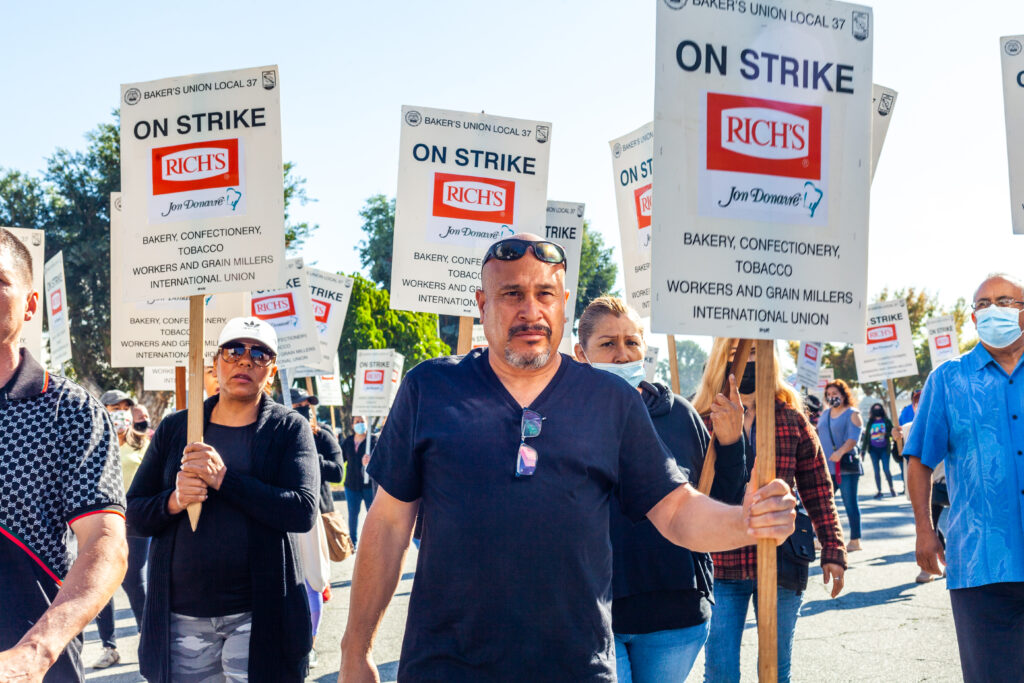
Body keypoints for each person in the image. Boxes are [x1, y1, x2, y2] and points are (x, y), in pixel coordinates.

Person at [338, 234, 797, 682]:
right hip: (445, 666)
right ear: (482, 303)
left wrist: (745, 521)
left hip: (575, 667)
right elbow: (388, 525)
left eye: (545, 294)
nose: (530, 310)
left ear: (564, 304)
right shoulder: (430, 389)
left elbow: (676, 509)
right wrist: (355, 651)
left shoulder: (610, 400)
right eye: (512, 293)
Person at [126, 317, 319, 682]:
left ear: (272, 372)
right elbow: (132, 513)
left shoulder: (288, 428)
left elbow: (302, 510)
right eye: (234, 350)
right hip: (181, 620)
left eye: (259, 354)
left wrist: (225, 480)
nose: (245, 361)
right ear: (215, 363)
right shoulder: (176, 428)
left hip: (258, 618)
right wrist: (174, 501)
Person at [573, 296, 747, 682]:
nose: (622, 354)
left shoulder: (680, 414)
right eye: (607, 343)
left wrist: (733, 444)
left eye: (632, 342)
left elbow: (721, 502)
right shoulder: (561, 418)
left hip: (676, 612)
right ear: (580, 353)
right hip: (591, 613)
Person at [0, 227, 128, 681]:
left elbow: (106, 544)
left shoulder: (69, 409)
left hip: (30, 665)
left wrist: (35, 652)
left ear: (31, 303)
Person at [696, 339, 847, 683]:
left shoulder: (791, 418)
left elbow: (818, 489)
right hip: (721, 566)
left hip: (782, 562)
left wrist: (834, 550)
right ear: (721, 361)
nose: (747, 363)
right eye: (736, 356)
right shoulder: (702, 421)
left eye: (754, 353)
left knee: (776, 673)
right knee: (719, 673)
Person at [905, 273, 1024, 681]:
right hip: (980, 563)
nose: (993, 310)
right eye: (983, 304)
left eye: (1005, 301)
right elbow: (919, 458)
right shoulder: (948, 380)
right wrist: (924, 528)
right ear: (973, 319)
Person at [90, 410, 152, 670]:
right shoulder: (96, 441)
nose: (118, 417)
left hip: (136, 520)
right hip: (104, 521)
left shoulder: (144, 445)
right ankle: (109, 646)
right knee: (100, 582)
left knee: (133, 580)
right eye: (113, 410)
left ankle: (146, 637)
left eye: (122, 410)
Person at [291, 386, 344, 668]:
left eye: (306, 405)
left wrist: (308, 454)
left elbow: (338, 472)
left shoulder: (321, 435)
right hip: (282, 515)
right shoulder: (277, 430)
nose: (302, 408)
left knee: (313, 583)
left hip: (315, 518)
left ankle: (309, 643)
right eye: (296, 404)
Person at [817, 379, 864, 551]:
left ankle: (855, 540)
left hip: (845, 467)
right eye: (828, 394)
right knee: (823, 503)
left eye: (835, 394)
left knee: (850, 503)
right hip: (826, 467)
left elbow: (853, 438)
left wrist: (840, 452)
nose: (832, 397)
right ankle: (823, 538)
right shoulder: (825, 414)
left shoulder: (852, 413)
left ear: (843, 395)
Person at [340, 415, 373, 548]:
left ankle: (373, 542)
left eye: (362, 421)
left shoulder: (373, 440)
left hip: (369, 486)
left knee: (372, 515)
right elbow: (340, 459)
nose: (360, 424)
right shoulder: (348, 442)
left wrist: (371, 460)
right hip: (351, 485)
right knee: (353, 515)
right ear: (352, 425)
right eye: (357, 422)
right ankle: (353, 543)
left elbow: (382, 460)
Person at [861, 403, 897, 498]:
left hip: (885, 449)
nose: (877, 411)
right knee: (876, 471)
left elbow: (893, 432)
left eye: (879, 409)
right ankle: (879, 491)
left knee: (886, 469)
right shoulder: (870, 422)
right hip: (873, 450)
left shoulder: (886, 421)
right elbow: (866, 438)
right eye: (875, 409)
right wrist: (863, 450)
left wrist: (886, 434)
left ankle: (891, 488)